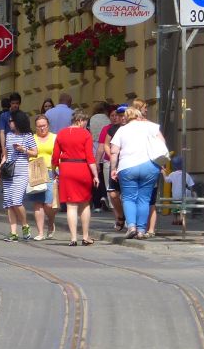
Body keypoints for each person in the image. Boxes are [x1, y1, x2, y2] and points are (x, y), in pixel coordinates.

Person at [108, 103, 163, 240]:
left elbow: (114, 152)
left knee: (128, 198)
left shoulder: (122, 130)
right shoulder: (151, 126)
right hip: (149, 166)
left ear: (126, 117)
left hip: (128, 167)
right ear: (139, 115)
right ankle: (141, 230)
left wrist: (114, 169)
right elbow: (162, 143)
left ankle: (131, 226)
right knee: (144, 199)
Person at [52, 109, 99, 246]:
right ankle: (85, 237)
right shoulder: (86, 134)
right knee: (85, 204)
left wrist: (55, 169)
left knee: (71, 205)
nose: (85, 125)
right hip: (82, 169)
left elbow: (55, 156)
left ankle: (73, 238)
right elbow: (90, 157)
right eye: (85, 122)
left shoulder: (61, 133)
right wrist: (95, 175)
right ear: (80, 120)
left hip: (66, 169)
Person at [0, 110, 36, 241]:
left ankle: (25, 225)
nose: (9, 123)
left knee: (16, 201)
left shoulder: (27, 136)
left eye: (11, 121)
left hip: (21, 172)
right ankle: (13, 232)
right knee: (8, 203)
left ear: (18, 121)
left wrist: (23, 149)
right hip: (8, 172)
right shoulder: (9, 135)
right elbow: (5, 156)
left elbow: (35, 152)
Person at [28, 114, 57, 239]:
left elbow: (59, 155)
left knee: (49, 204)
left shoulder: (55, 137)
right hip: (36, 171)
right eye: (39, 126)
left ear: (48, 125)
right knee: (38, 203)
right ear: (35, 127)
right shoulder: (32, 138)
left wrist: (59, 170)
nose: (42, 128)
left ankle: (51, 222)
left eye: (44, 126)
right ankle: (40, 232)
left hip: (51, 171)